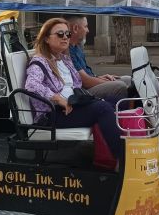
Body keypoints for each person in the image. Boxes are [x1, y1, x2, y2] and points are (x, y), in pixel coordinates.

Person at [25, 18, 122, 161]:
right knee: (103, 109)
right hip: (52, 114)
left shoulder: (63, 59)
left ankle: (119, 151)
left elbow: (76, 84)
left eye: (67, 34)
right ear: (46, 38)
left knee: (118, 102)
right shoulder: (39, 62)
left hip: (72, 105)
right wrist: (58, 98)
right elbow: (31, 85)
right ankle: (123, 159)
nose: (65, 37)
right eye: (60, 34)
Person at [65, 15, 130, 104]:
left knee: (128, 79)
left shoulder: (78, 46)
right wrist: (105, 82)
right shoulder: (68, 50)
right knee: (120, 86)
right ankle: (120, 114)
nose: (88, 30)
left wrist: (99, 77)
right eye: (86, 26)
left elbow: (87, 75)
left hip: (89, 84)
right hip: (83, 91)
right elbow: (85, 82)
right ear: (75, 28)